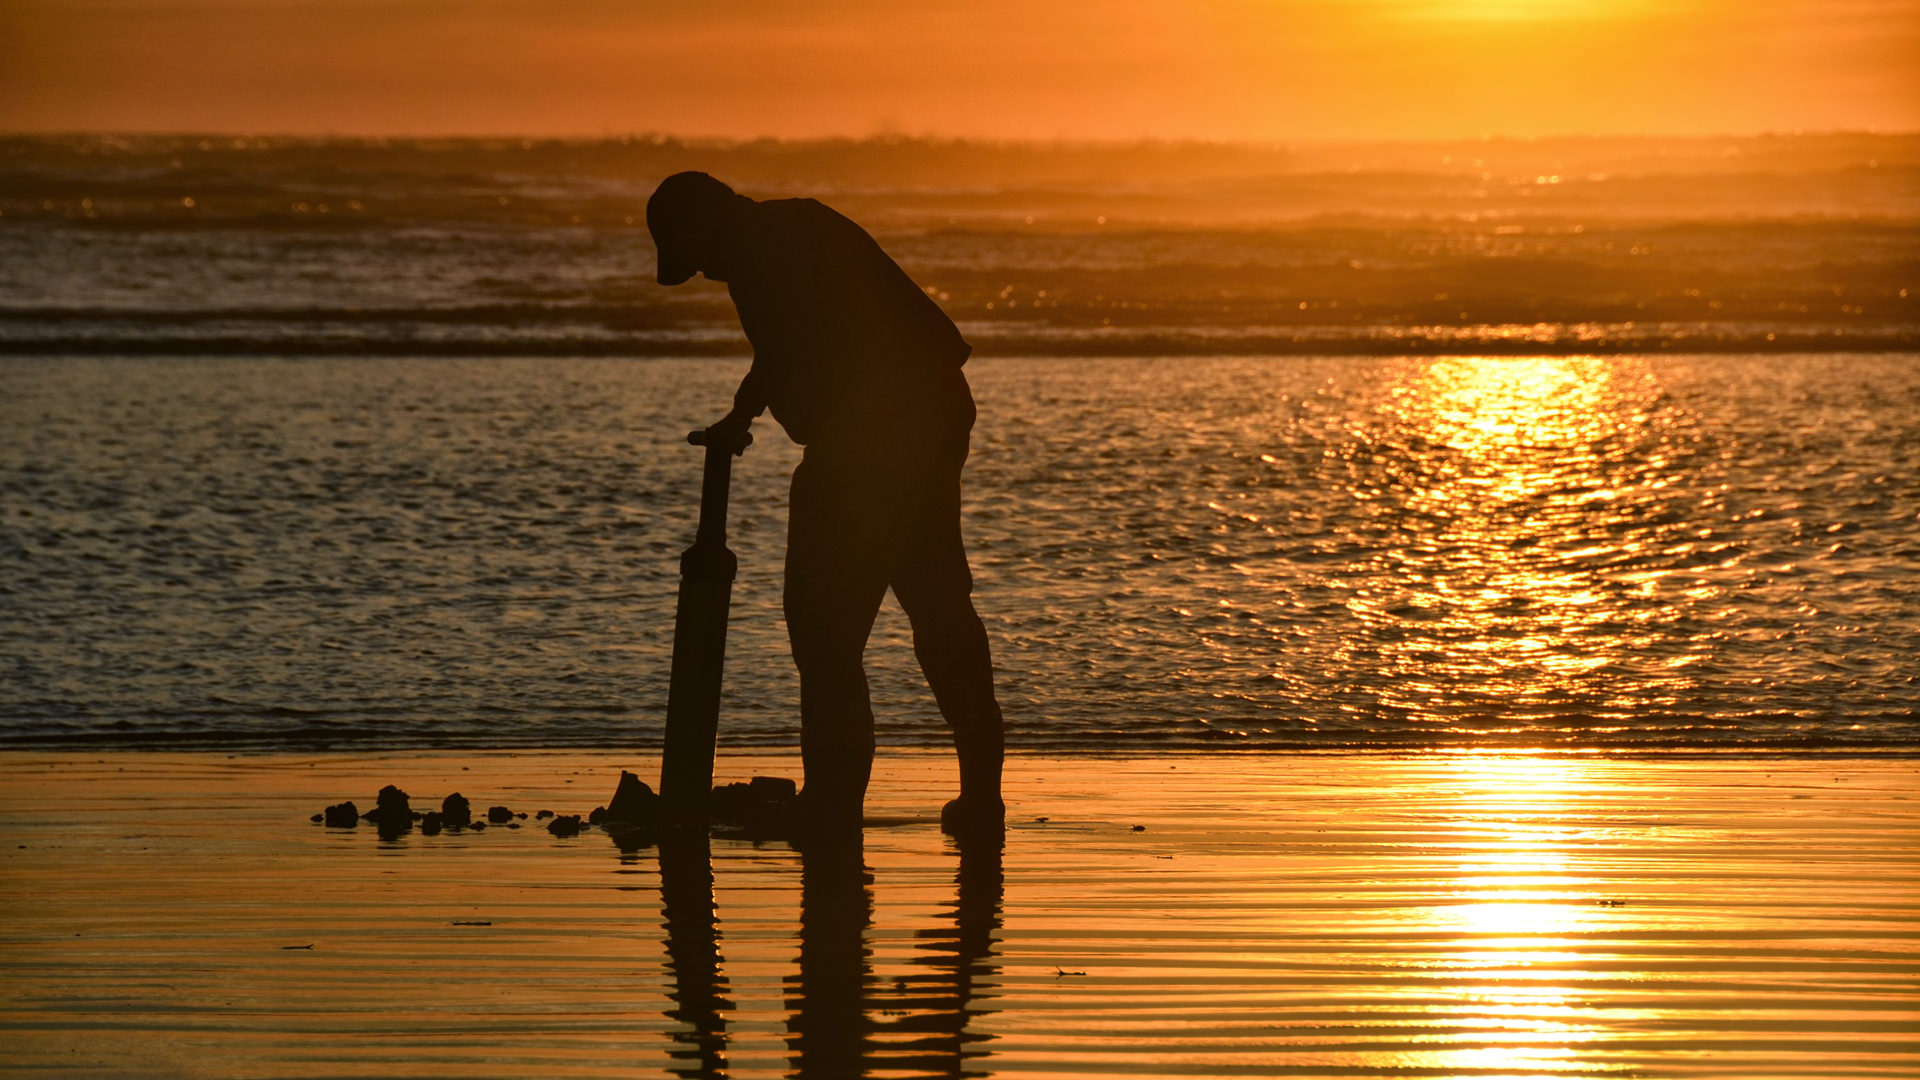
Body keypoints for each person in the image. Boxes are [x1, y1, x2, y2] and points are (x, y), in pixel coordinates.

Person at [647, 171, 1005, 838]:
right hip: (935, 403)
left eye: (696, 257)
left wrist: (748, 412)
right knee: (938, 607)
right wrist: (742, 412)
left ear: (707, 222)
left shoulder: (757, 249)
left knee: (824, 626)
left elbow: (787, 341)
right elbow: (789, 344)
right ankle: (982, 796)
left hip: (876, 426)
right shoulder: (786, 232)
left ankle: (832, 803)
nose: (703, 274)